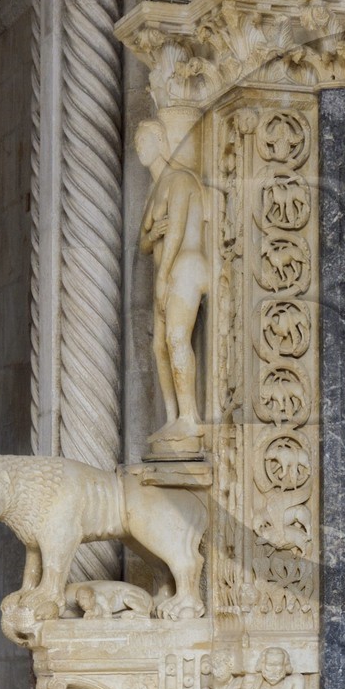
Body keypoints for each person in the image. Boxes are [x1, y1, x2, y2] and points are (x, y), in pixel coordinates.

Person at [136, 115, 210, 443]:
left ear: (162, 143)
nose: (141, 147)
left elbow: (177, 230)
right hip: (168, 270)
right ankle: (171, 417)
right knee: (159, 346)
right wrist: (153, 232)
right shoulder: (154, 190)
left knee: (177, 338)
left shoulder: (180, 180)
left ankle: (190, 417)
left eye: (146, 141)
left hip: (187, 266)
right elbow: (143, 241)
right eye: (138, 142)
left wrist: (163, 276)